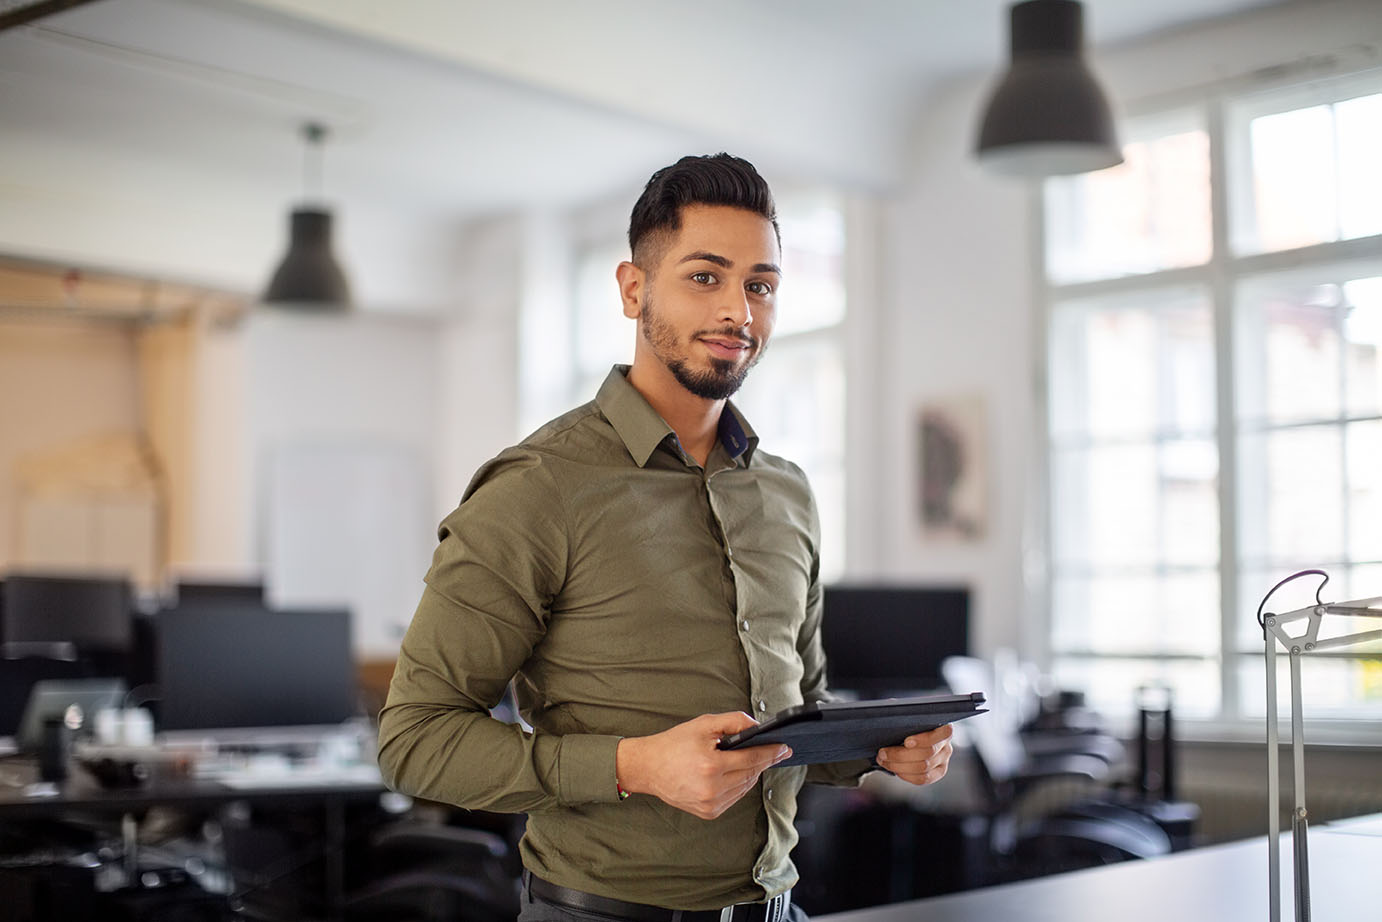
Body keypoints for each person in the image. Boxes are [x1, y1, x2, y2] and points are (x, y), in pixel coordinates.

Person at [377, 153, 954, 921]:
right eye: (705, 277)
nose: (739, 314)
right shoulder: (537, 488)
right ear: (633, 288)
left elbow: (797, 712)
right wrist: (633, 765)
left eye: (761, 285)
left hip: (777, 907)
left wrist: (880, 747)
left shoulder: (788, 493)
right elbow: (414, 740)